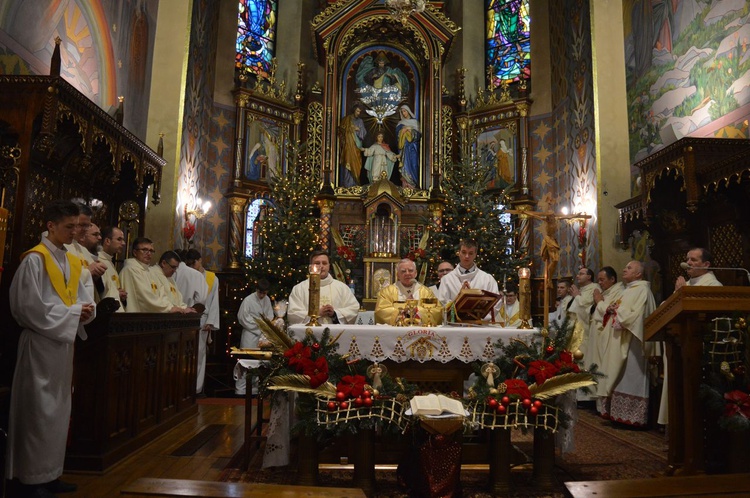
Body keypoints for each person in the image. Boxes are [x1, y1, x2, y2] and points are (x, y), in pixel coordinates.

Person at [6, 200, 96, 498]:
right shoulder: (35, 259)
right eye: (69, 227)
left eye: (76, 226)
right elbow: (26, 307)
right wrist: (72, 315)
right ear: (51, 226)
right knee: (37, 411)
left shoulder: (70, 260)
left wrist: (86, 310)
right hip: (39, 345)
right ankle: (30, 479)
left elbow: (83, 296)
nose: (74, 232)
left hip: (63, 345)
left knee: (59, 410)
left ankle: (52, 473)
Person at [658, 247, 723, 425]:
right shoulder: (687, 284)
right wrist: (679, 293)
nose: (688, 263)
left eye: (693, 260)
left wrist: (681, 294)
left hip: (697, 347)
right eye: (687, 259)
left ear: (706, 264)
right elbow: (666, 310)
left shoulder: (713, 285)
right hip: (679, 344)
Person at [594, 261, 656, 426]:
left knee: (631, 375)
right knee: (619, 375)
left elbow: (637, 316)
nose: (624, 269)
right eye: (625, 266)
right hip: (621, 339)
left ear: (638, 274)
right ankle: (618, 414)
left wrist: (616, 310)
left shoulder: (642, 290)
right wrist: (614, 309)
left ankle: (633, 417)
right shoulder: (629, 290)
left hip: (633, 342)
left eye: (629, 268)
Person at [119, 238, 193, 313]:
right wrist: (169, 308)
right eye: (145, 250)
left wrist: (180, 308)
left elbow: (162, 295)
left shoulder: (149, 271)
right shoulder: (131, 270)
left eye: (151, 251)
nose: (148, 253)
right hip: (136, 318)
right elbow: (145, 296)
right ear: (135, 252)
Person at [287, 250, 360, 325]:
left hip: (336, 333)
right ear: (310, 266)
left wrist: (335, 314)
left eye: (324, 263)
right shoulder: (299, 289)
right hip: (308, 333)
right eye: (317, 263)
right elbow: (293, 314)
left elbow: (353, 309)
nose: (321, 266)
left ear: (329, 266)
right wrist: (315, 314)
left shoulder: (342, 288)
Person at [184, 249, 220, 395]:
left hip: (203, 318)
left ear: (200, 260)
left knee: (200, 353)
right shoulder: (187, 274)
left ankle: (197, 388)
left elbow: (214, 301)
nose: (193, 266)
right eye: (190, 264)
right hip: (187, 317)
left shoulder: (212, 278)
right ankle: (185, 386)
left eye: (195, 263)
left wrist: (211, 321)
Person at [439, 239, 500, 320]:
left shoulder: (487, 279)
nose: (467, 256)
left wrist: (479, 317)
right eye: (464, 252)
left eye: (470, 253)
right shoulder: (447, 280)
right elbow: (442, 304)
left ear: (475, 255)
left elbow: (495, 304)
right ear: (459, 253)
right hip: (455, 327)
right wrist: (459, 298)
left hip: (480, 327)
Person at [375, 258, 442, 325]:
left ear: (415, 273)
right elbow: (381, 311)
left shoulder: (426, 292)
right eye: (403, 271)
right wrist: (404, 309)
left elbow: (437, 311)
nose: (407, 273)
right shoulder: (387, 292)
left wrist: (416, 309)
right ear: (398, 275)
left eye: (410, 271)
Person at [235, 279, 273, 395]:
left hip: (262, 336)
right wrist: (259, 326)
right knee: (246, 362)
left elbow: (270, 315)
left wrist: (265, 328)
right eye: (260, 293)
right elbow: (243, 318)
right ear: (257, 290)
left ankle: (255, 389)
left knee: (259, 363)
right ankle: (241, 390)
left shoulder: (267, 300)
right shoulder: (248, 300)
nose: (262, 296)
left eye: (264, 293)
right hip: (250, 334)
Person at [568, 268, 601, 366]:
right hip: (575, 326)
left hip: (585, 328)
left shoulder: (595, 288)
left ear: (589, 277)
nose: (578, 276)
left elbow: (588, 308)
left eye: (581, 274)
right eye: (578, 274)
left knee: (583, 353)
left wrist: (577, 296)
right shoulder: (581, 290)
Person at [99, 226, 128, 310]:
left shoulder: (109, 261)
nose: (123, 243)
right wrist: (117, 293)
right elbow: (100, 291)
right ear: (107, 241)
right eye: (119, 239)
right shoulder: (99, 261)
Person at [339, 104, 366, 187]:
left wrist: (358, 130)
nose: (358, 113)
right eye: (357, 111)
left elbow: (363, 133)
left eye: (360, 112)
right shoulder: (347, 119)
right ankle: (347, 184)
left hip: (356, 146)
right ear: (354, 110)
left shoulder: (360, 121)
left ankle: (355, 183)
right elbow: (341, 130)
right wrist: (350, 128)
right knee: (347, 162)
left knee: (356, 164)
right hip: (348, 145)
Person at [396, 105, 420, 189]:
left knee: (414, 165)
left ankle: (413, 184)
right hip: (404, 149)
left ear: (408, 111)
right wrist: (403, 130)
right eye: (402, 112)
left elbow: (419, 135)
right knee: (404, 167)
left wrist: (410, 130)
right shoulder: (400, 124)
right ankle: (406, 185)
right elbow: (398, 136)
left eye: (405, 111)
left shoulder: (415, 122)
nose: (403, 113)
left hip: (413, 148)